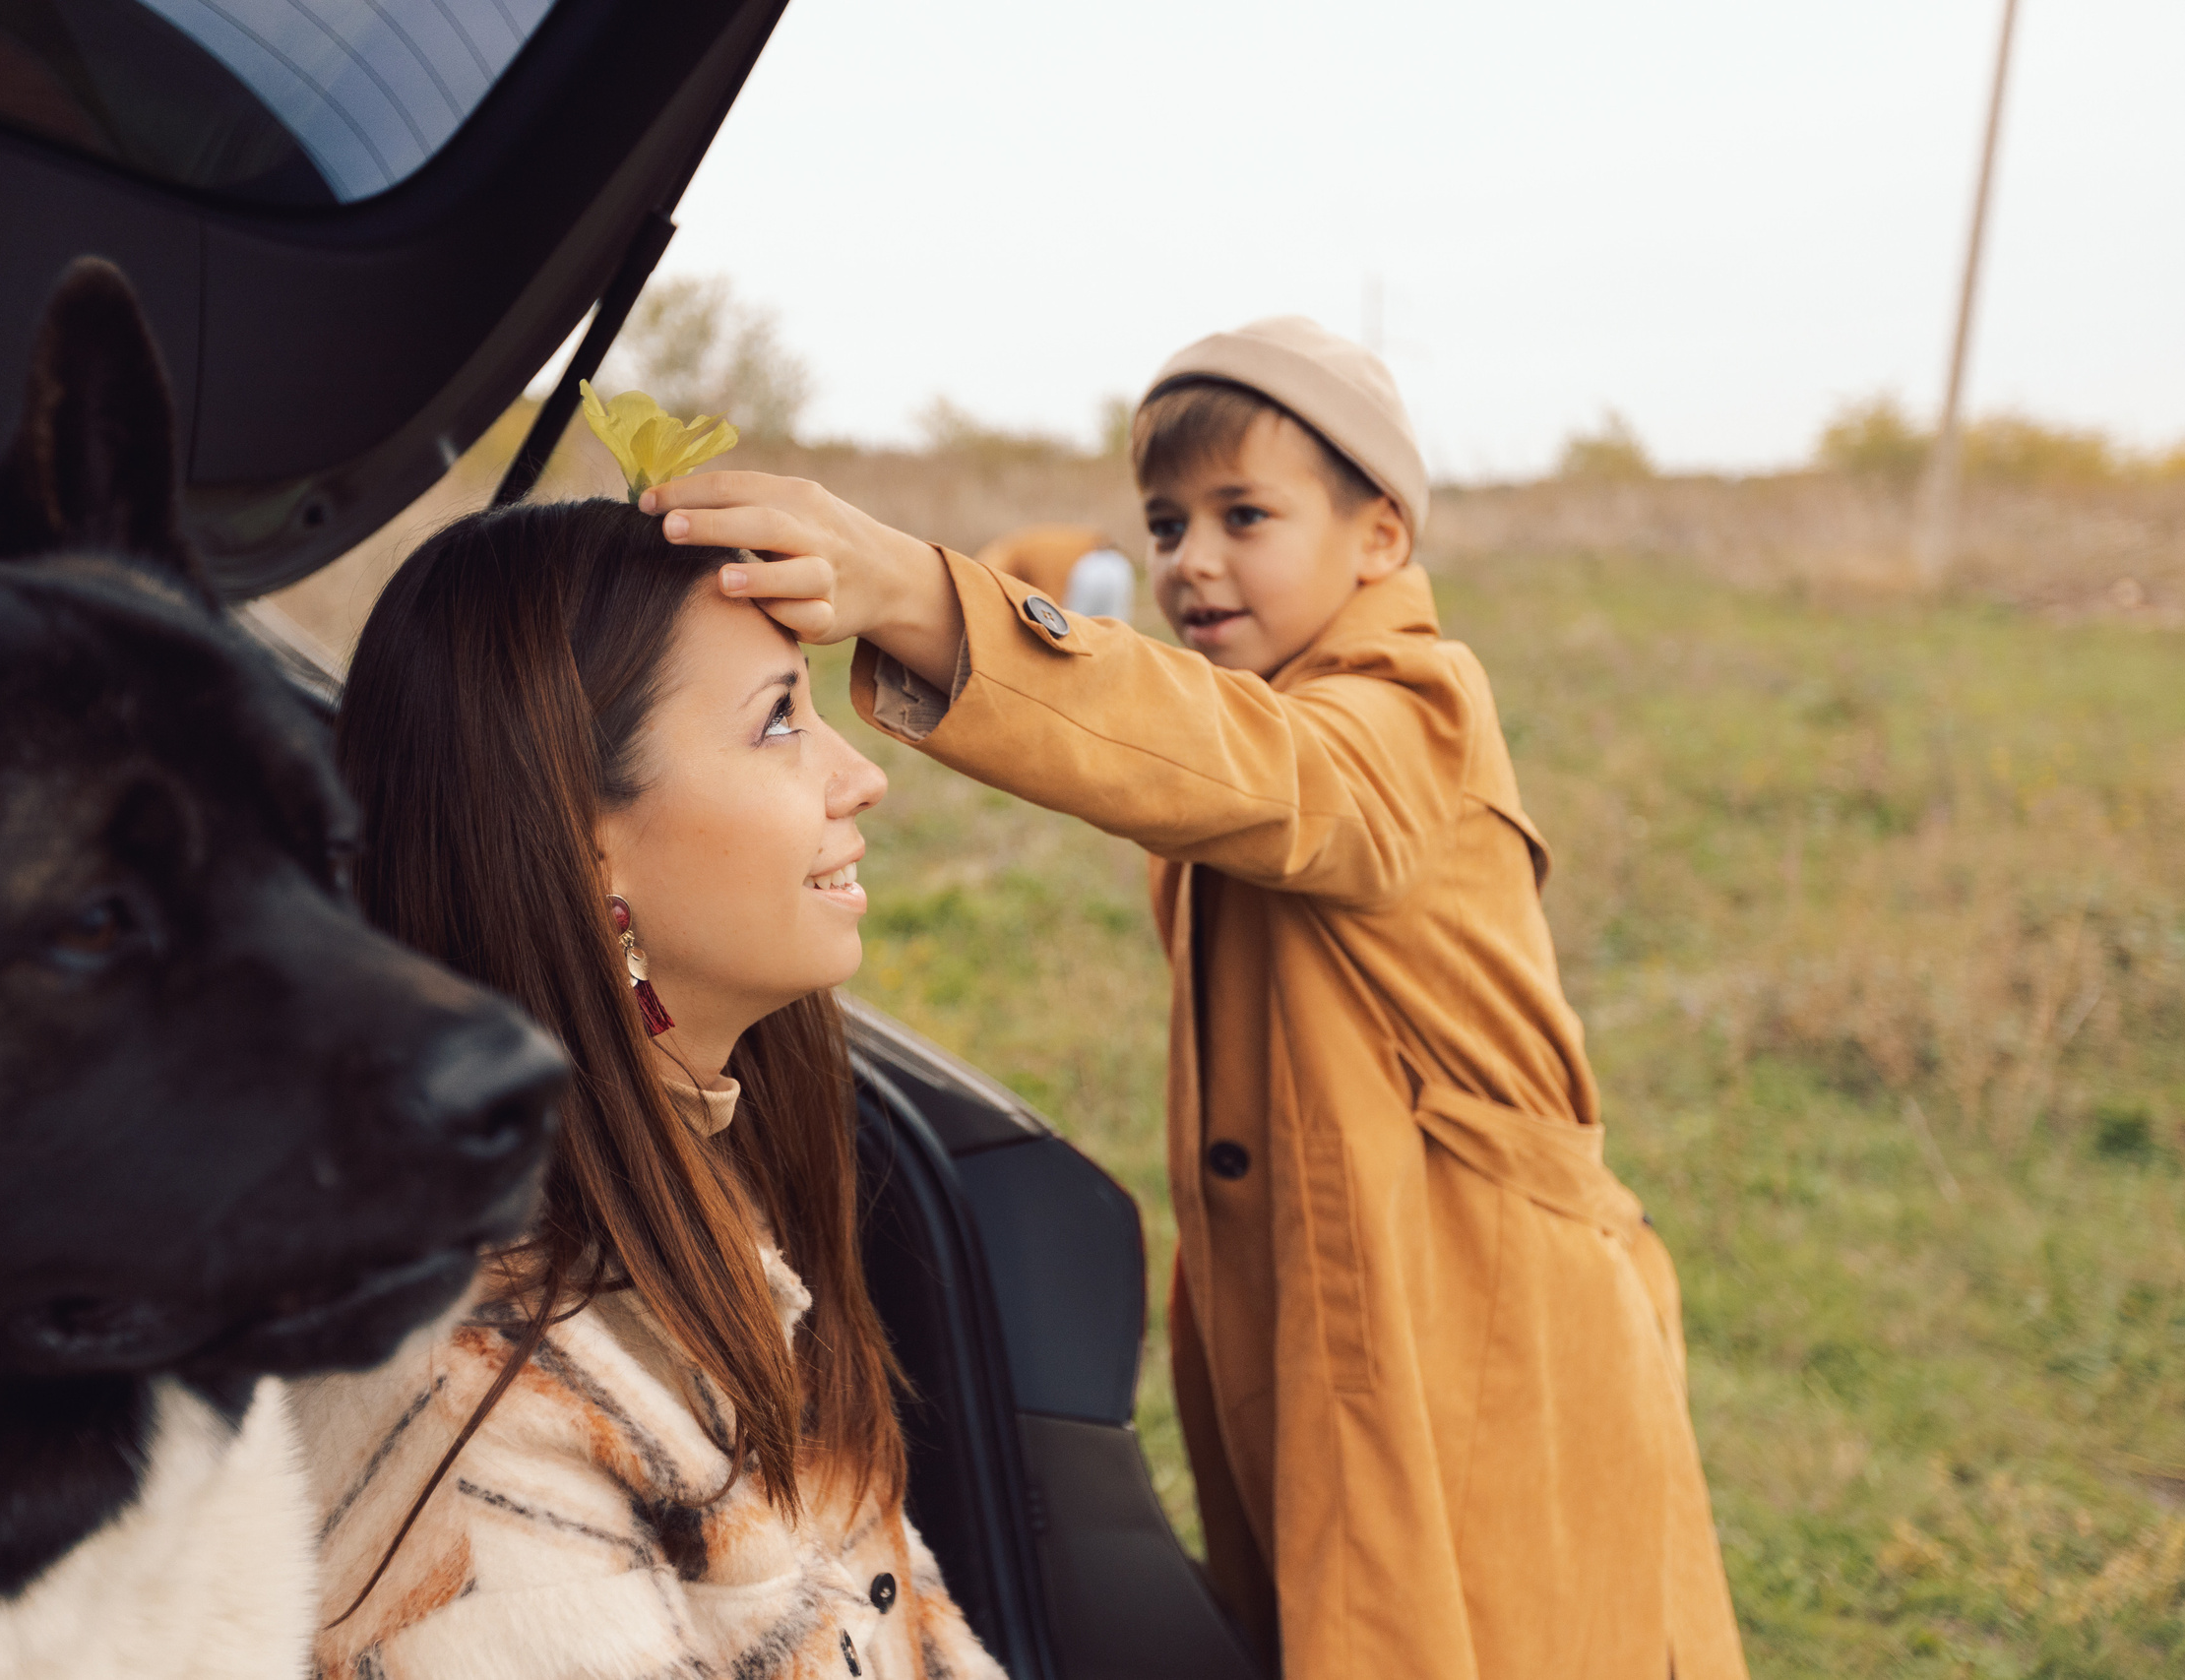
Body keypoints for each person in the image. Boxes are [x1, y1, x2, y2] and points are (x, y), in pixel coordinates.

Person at [640, 317, 1748, 1679]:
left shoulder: (1412, 704)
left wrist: (922, 595)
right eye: (1166, 521)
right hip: (1333, 1292)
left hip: (1483, 1312)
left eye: (1245, 513)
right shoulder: (1270, 701)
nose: (1191, 560)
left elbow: (1252, 768)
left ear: (1382, 537)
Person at [291, 498, 1003, 1680]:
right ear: (582, 844)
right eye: (779, 723)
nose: (861, 778)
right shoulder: (475, 1422)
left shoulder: (704, 1202)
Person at [977, 522, 1138, 622]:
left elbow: (1052, 605)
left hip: (1089, 569)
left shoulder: (1000, 561)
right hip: (1116, 563)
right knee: (1114, 632)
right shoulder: (1018, 547)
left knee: (1074, 632)